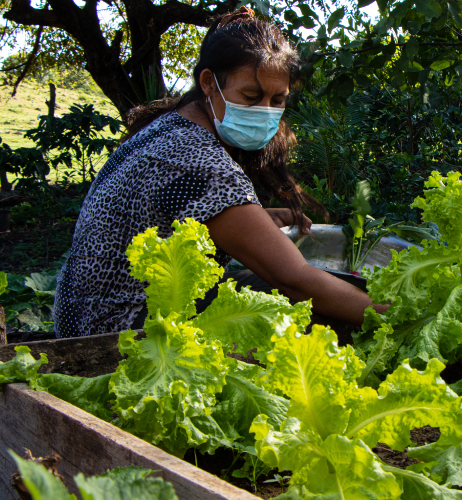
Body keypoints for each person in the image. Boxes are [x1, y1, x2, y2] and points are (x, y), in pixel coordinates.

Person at [52, 7, 387, 338]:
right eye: (251, 96)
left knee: (267, 293)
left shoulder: (170, 127)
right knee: (310, 312)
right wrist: (393, 316)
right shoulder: (199, 160)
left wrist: (249, 221)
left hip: (78, 319)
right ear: (209, 83)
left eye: (277, 100)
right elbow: (294, 278)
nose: (265, 111)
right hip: (118, 331)